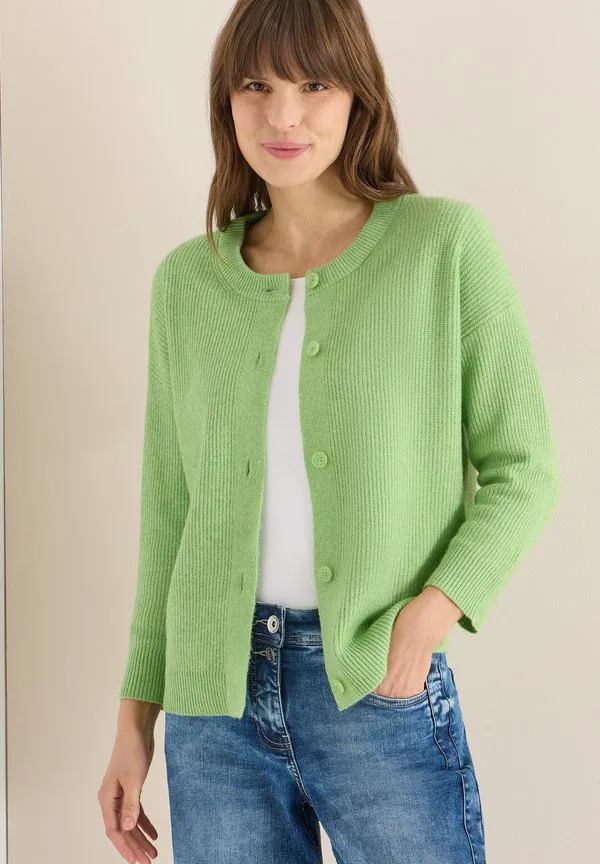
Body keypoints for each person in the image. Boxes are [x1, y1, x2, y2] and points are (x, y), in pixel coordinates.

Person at [97, 1, 560, 862]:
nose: (283, 115)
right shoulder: (187, 283)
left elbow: (525, 469)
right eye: (255, 85)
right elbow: (169, 517)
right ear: (225, 100)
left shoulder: (442, 246)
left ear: (358, 96)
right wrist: (135, 720)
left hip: (373, 682)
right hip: (212, 709)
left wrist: (428, 617)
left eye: (314, 84)